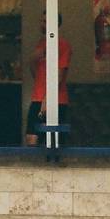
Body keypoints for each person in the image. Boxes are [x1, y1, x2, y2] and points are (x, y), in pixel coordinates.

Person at [25, 13, 71, 146]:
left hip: (57, 99)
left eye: (45, 21)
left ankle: (53, 164)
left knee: (54, 140)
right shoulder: (41, 44)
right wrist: (33, 59)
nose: (42, 24)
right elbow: (35, 71)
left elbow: (60, 75)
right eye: (42, 21)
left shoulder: (62, 45)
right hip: (37, 97)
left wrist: (47, 99)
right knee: (31, 138)